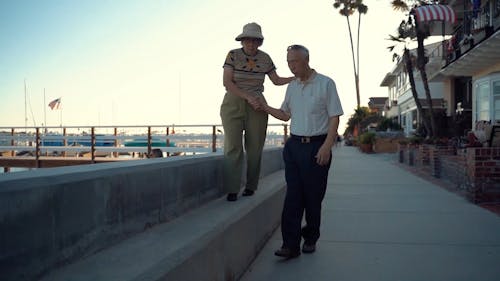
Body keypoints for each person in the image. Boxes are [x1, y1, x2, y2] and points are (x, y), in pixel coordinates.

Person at [261, 44, 343, 258]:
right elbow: (285, 114)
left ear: (306, 60)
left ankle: (311, 237)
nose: (291, 66)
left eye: (294, 62)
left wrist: (327, 145)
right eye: (288, 62)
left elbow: (335, 116)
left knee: (313, 198)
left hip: (317, 146)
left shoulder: (326, 83)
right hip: (294, 147)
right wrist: (264, 106)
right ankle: (290, 245)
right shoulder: (292, 87)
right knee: (293, 197)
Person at [220, 22, 294, 202]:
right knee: (233, 147)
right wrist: (247, 96)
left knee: (255, 147)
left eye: (255, 40)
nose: (251, 44)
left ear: (260, 42)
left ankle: (251, 186)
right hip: (233, 101)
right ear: (242, 40)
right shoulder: (232, 55)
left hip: (258, 105)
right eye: (247, 40)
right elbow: (227, 82)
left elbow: (275, 80)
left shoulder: (265, 58)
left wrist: (295, 77)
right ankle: (232, 189)